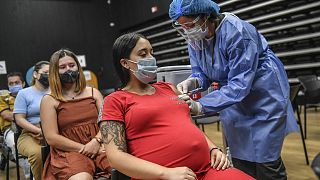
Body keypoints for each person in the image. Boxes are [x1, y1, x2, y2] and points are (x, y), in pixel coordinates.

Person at [168, 0, 299, 179]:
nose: (187, 31)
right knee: (240, 156)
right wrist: (193, 82)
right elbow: (202, 72)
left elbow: (240, 85)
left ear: (206, 16)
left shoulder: (237, 32)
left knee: (265, 160)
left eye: (190, 25)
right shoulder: (195, 39)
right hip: (231, 97)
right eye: (182, 27)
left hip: (263, 93)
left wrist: (200, 106)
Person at [99, 32, 253, 180]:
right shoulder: (115, 100)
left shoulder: (169, 88)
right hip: (161, 177)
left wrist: (212, 147)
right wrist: (165, 173)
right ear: (125, 63)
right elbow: (115, 157)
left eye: (151, 52)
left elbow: (189, 125)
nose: (151, 58)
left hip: (207, 168)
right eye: (143, 54)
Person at [40, 49, 111, 180]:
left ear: (78, 67)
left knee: (124, 170)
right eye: (62, 67)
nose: (68, 69)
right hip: (69, 151)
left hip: (100, 144)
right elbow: (51, 138)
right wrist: (85, 148)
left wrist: (96, 141)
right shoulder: (49, 100)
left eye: (72, 65)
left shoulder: (93, 93)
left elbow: (106, 122)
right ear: (55, 71)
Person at [13, 61, 50, 180]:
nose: (48, 75)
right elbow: (19, 119)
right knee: (38, 154)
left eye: (51, 73)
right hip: (29, 134)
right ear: (35, 74)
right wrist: (39, 131)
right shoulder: (23, 93)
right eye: (45, 72)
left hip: (53, 131)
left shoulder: (56, 91)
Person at [0, 72, 30, 178]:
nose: (14, 85)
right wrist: (24, 116)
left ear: (23, 83)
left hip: (31, 127)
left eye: (17, 82)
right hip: (10, 129)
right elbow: (6, 115)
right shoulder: (3, 98)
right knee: (15, 144)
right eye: (11, 83)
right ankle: (29, 175)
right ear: (8, 85)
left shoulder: (29, 95)